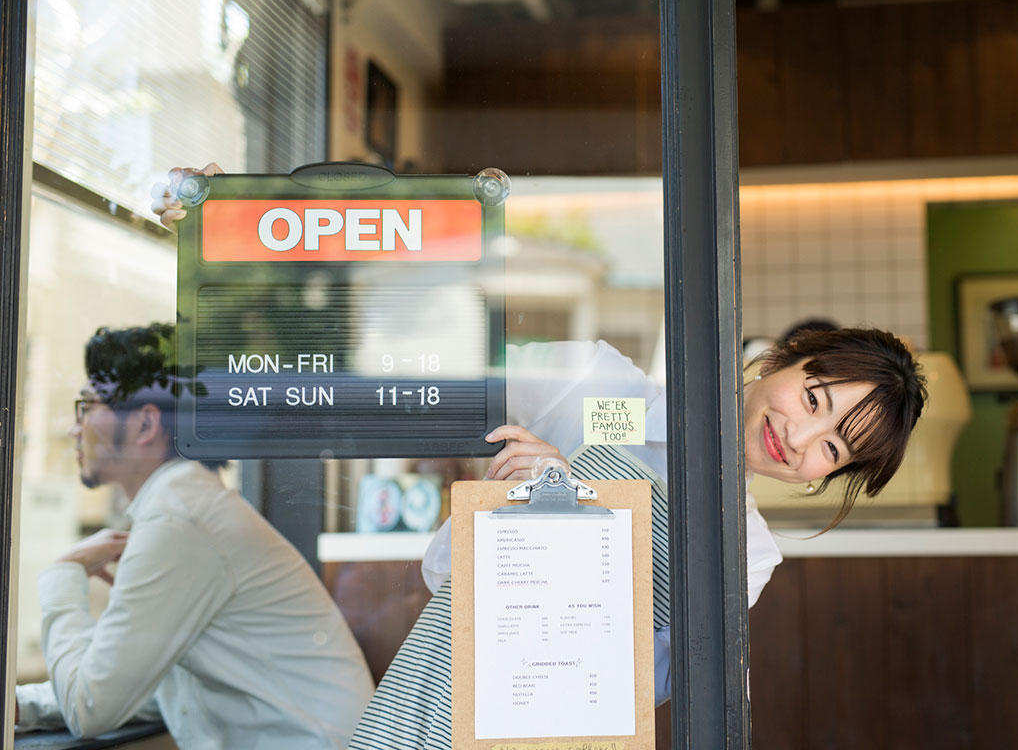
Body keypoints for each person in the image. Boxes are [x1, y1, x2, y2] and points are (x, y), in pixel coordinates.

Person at [152, 167, 926, 749]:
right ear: (784, 360)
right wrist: (240, 241)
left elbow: (646, 680)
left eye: (832, 450)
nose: (799, 439)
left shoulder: (748, 551)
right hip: (443, 688)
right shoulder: (610, 395)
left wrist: (568, 506)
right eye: (816, 401)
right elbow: (422, 363)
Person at [14, 324, 374, 748]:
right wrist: (23, 706)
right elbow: (137, 683)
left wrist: (64, 572)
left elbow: (88, 707)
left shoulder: (179, 520)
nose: (75, 429)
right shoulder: (183, 508)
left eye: (87, 406)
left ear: (146, 424)